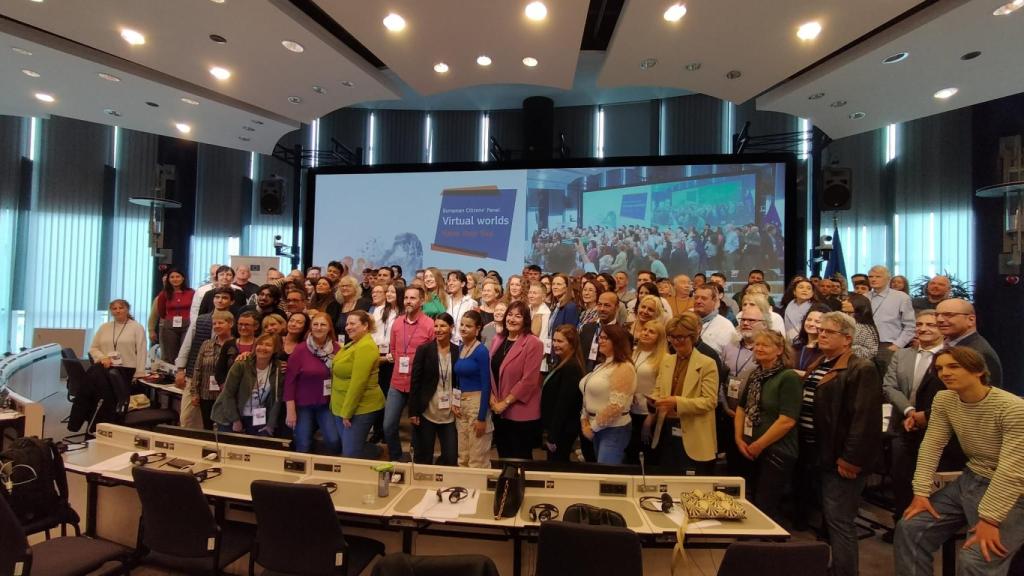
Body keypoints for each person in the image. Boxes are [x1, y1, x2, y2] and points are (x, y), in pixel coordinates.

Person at [894, 346, 1024, 576]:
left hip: (1013, 491)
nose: (945, 373)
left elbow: (1012, 470)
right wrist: (921, 493)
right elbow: (932, 445)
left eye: (953, 366)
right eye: (940, 368)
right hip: (971, 479)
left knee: (975, 560)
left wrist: (990, 519)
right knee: (910, 528)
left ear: (978, 371)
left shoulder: (1013, 408)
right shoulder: (944, 399)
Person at [800, 312, 881, 576]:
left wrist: (851, 459)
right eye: (820, 330)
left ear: (847, 339)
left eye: (828, 332)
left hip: (841, 459)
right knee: (828, 518)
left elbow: (864, 419)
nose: (821, 334)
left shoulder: (862, 368)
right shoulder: (821, 361)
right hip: (818, 453)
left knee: (840, 521)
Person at [882, 310, 948, 528]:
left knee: (932, 482)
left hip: (938, 428)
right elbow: (889, 386)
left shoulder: (951, 357)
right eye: (919, 324)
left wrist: (925, 416)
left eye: (931, 324)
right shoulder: (902, 354)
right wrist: (910, 412)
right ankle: (901, 524)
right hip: (903, 425)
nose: (923, 328)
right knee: (901, 479)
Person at [734, 329, 802, 524]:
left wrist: (759, 444)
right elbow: (741, 408)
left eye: (765, 345)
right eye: (757, 344)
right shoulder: (756, 374)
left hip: (776, 451)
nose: (759, 348)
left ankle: (764, 547)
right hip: (749, 448)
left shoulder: (789, 377)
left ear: (779, 350)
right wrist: (738, 439)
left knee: (765, 506)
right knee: (751, 501)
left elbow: (787, 420)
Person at [650, 312, 719, 474]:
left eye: (681, 337)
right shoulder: (667, 360)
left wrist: (676, 402)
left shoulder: (707, 363)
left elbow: (710, 401)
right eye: (672, 337)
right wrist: (654, 400)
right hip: (667, 430)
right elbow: (658, 390)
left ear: (693, 337)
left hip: (694, 435)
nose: (676, 341)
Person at [383, 286, 436, 461]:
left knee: (417, 429)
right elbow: (392, 348)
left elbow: (432, 356)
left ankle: (414, 462)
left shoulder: (429, 325)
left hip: (418, 385)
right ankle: (397, 458)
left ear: (421, 301)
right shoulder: (397, 322)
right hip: (397, 382)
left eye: (413, 298)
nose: (408, 301)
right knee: (388, 425)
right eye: (406, 298)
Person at [489, 300, 544, 460]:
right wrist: (492, 399)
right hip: (498, 410)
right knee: (503, 456)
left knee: (520, 459)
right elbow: (491, 371)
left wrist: (504, 403)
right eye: (510, 315)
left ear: (525, 320)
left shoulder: (533, 343)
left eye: (518, 316)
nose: (512, 319)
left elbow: (529, 380)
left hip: (520, 411)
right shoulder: (497, 340)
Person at [284, 312, 341, 454]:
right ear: (310, 327)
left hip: (327, 404)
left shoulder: (337, 349)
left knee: (333, 440)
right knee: (303, 443)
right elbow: (289, 382)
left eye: (323, 325)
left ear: (329, 328)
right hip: (303, 405)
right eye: (315, 324)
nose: (319, 328)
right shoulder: (300, 349)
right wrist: (290, 411)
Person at [579, 324, 636, 465]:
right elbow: (587, 394)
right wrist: (584, 419)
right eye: (601, 337)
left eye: (606, 338)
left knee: (606, 475)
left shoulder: (624, 367)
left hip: (614, 428)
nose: (601, 341)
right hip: (596, 425)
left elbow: (616, 406)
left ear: (617, 342)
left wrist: (593, 427)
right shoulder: (601, 365)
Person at [331, 310, 385, 458]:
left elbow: (358, 383)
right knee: (349, 446)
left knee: (350, 453)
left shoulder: (365, 346)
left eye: (353, 323)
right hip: (341, 404)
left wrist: (347, 412)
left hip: (360, 408)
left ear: (365, 326)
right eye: (347, 323)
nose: (348, 327)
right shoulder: (353, 344)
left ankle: (378, 454)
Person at [408, 313, 459, 466]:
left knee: (450, 457)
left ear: (451, 328)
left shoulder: (458, 351)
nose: (438, 329)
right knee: (424, 456)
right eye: (436, 326)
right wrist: (413, 411)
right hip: (427, 412)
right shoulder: (424, 350)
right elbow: (415, 381)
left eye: (443, 326)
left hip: (450, 413)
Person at [211, 333, 283, 435]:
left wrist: (271, 424)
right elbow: (228, 394)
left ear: (275, 349)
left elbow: (277, 399)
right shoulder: (241, 364)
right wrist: (235, 420)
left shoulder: (278, 369)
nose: (263, 348)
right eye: (260, 344)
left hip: (257, 417)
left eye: (268, 345)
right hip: (230, 414)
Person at [935, 298, 1005, 391]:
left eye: (948, 315)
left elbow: (987, 396)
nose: (939, 319)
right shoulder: (949, 345)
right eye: (936, 315)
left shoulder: (979, 352)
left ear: (971, 320)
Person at [453, 311, 493, 468]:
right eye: (462, 325)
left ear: (477, 329)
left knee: (477, 459)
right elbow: (458, 379)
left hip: (477, 404)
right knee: (463, 456)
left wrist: (482, 417)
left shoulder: (482, 351)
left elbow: (486, 384)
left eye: (468, 326)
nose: (463, 328)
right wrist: (455, 402)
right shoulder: (461, 347)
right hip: (462, 404)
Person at [542, 325, 585, 462]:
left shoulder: (571, 367)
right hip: (557, 428)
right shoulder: (562, 362)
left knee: (557, 467)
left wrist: (553, 435)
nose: (555, 344)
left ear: (572, 344)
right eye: (554, 340)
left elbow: (564, 404)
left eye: (560, 341)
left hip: (562, 430)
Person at [626, 319, 666, 464]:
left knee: (645, 456)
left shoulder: (663, 358)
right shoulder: (634, 353)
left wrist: (650, 418)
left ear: (660, 337)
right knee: (630, 454)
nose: (646, 333)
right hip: (630, 410)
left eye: (651, 332)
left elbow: (661, 391)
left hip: (648, 413)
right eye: (645, 330)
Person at [189, 310, 234, 429]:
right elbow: (197, 369)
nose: (217, 326)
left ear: (230, 324)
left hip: (226, 395)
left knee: (224, 429)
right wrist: (194, 393)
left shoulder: (235, 345)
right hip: (206, 394)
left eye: (220, 323)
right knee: (208, 428)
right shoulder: (206, 344)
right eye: (214, 324)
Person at [867, 265, 916, 366]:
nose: (873, 279)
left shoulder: (901, 297)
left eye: (878, 276)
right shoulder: (864, 297)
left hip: (888, 345)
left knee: (888, 380)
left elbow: (910, 326)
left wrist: (898, 345)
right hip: (866, 346)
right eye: (871, 277)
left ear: (888, 279)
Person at [90, 299, 148, 382]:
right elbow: (93, 348)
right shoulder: (104, 327)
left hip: (127, 369)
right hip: (106, 367)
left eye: (121, 308)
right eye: (114, 308)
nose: (118, 311)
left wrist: (140, 372)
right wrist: (103, 358)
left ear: (127, 310)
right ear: (111, 311)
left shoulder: (137, 327)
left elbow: (142, 351)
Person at [155, 268, 194, 362]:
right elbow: (161, 312)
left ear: (183, 278)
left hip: (187, 325)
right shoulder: (163, 294)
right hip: (169, 326)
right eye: (172, 277)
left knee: (185, 352)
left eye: (177, 276)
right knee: (171, 354)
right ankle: (171, 376)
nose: (175, 279)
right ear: (168, 279)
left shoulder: (191, 293)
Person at [214, 311, 259, 384]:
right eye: (240, 324)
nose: (243, 327)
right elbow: (219, 371)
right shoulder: (228, 345)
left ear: (256, 326)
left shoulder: (260, 344)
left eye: (247, 325)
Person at [692, 285, 733, 355]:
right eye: (696, 298)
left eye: (704, 298)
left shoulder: (726, 326)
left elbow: (730, 358)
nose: (698, 301)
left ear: (714, 301)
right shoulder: (685, 319)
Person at [792, 304, 831, 373]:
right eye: (809, 320)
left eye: (817, 322)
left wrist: (794, 373)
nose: (811, 324)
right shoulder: (795, 347)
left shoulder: (827, 350)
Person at [842, 293, 880, 361]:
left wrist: (845, 349)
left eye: (848, 300)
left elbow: (871, 352)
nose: (843, 302)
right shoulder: (843, 319)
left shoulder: (863, 327)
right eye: (844, 300)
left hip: (855, 363)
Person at [445, 271, 477, 345]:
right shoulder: (445, 300)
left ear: (463, 284)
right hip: (446, 344)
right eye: (449, 280)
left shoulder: (471, 303)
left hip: (463, 344)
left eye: (454, 280)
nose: (450, 283)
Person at [333, 275, 365, 341]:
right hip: (340, 343)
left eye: (348, 286)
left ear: (356, 288)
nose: (344, 288)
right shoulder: (336, 305)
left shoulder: (364, 303)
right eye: (342, 286)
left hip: (358, 342)